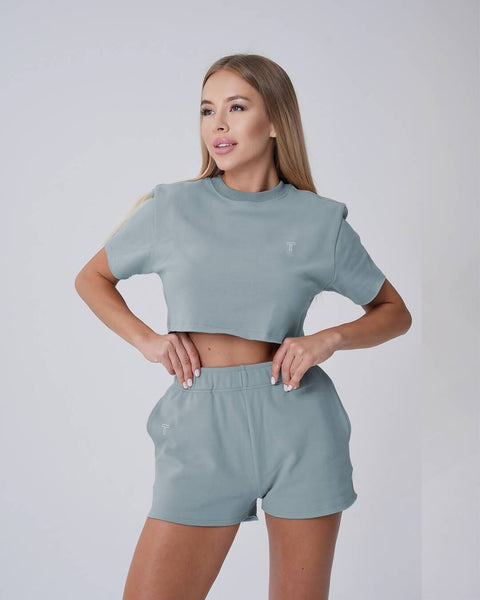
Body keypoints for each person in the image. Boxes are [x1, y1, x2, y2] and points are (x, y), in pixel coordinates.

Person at [75, 53, 412, 600]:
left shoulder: (319, 220)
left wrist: (328, 339)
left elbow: (394, 311)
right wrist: (148, 341)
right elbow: (92, 278)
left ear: (275, 120)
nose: (218, 124)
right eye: (207, 110)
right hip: (200, 423)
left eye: (236, 107)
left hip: (299, 422)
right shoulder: (171, 207)